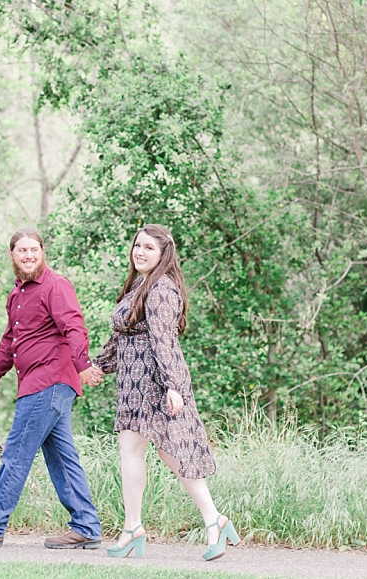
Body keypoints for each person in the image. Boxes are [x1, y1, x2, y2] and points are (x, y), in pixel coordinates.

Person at [91, 224, 241, 561]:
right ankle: (138, 527)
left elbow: (164, 341)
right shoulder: (138, 287)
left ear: (163, 255)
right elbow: (122, 336)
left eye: (148, 248)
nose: (140, 252)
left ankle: (208, 520)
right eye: (137, 246)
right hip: (132, 382)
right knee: (142, 450)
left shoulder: (162, 289)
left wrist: (174, 386)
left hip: (155, 383)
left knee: (166, 451)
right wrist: (99, 364)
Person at [0, 229, 104, 549]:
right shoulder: (16, 295)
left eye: (34, 249)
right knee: (62, 458)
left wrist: (83, 363)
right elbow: (10, 342)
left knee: (16, 453)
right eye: (22, 250)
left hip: (49, 382)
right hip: (41, 384)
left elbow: (73, 325)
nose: (29, 255)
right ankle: (86, 526)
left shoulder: (55, 286)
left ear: (42, 252)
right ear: (12, 255)